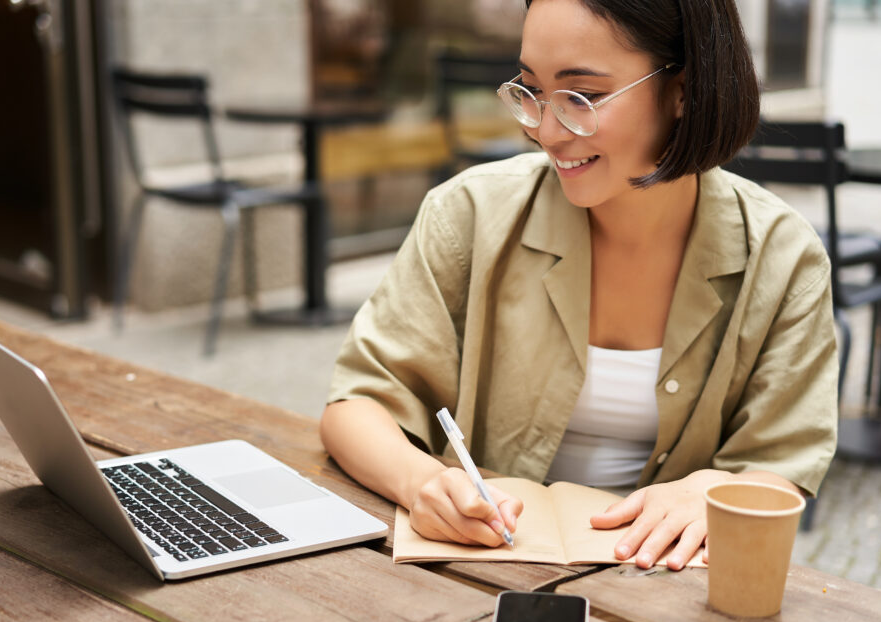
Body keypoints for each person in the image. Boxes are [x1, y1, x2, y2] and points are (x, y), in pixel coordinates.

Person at [319, 0, 837, 571]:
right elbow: (357, 404)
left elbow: (783, 465)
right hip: (477, 573)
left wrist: (713, 490)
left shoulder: (782, 257)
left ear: (685, 89)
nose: (544, 130)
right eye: (531, 90)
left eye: (581, 98)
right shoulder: (470, 215)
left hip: (663, 594)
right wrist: (423, 483)